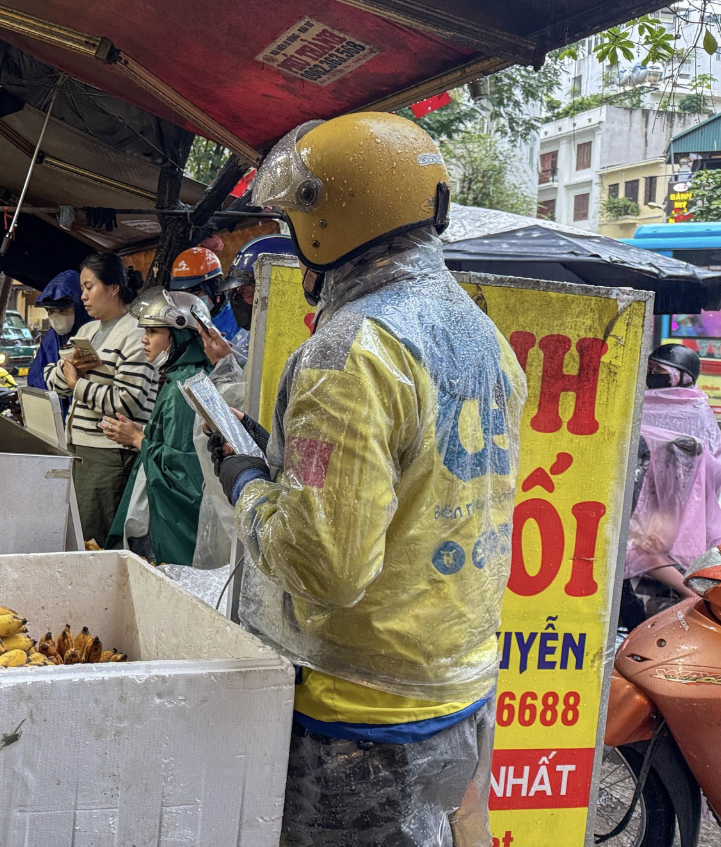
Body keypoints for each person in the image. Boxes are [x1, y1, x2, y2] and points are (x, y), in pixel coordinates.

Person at [215, 112, 528, 846]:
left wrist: (246, 484)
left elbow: (326, 566)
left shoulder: (352, 350)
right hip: (456, 688)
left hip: (358, 712)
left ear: (331, 224)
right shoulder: (484, 339)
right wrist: (283, 465)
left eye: (296, 217)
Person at [45, 253, 156, 545]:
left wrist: (77, 384)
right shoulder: (88, 331)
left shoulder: (136, 333)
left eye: (89, 287)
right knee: (74, 536)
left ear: (114, 288)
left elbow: (128, 401)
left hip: (110, 456)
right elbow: (54, 382)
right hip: (78, 448)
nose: (83, 296)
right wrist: (71, 371)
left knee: (95, 540)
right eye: (82, 288)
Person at [103, 290, 214, 565]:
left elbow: (183, 470)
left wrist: (139, 440)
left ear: (179, 335)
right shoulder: (182, 377)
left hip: (176, 528)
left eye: (153, 331)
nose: (144, 339)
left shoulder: (183, 388)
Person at [621, 343, 721, 627]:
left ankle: (692, 594)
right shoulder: (640, 399)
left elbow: (712, 462)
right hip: (641, 494)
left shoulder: (695, 409)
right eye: (649, 370)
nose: (653, 375)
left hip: (679, 500)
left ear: (684, 376)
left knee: (639, 550)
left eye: (660, 371)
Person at [219, 233, 297, 363]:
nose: (238, 298)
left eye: (245, 291)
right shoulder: (255, 336)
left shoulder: (296, 345)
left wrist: (224, 363)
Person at [28, 270, 90, 407]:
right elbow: (35, 381)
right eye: (50, 311)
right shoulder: (49, 340)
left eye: (63, 310)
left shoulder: (92, 334)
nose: (56, 317)